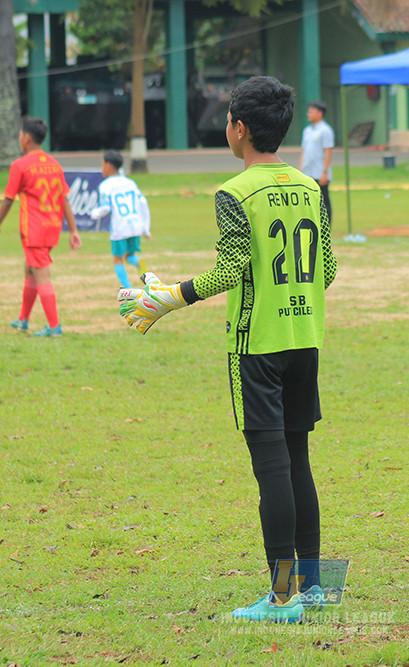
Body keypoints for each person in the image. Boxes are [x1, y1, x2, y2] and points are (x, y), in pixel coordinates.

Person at [117, 76, 338, 624]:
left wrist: (170, 297)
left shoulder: (234, 193)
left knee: (272, 470)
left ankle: (283, 598)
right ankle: (317, 588)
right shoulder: (310, 187)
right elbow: (327, 269)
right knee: (299, 462)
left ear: (239, 129)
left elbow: (232, 267)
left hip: (256, 347)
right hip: (305, 339)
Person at [0, 117, 82, 337]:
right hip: (52, 228)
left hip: (33, 230)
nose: (19, 139)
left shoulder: (20, 165)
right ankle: (23, 320)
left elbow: (8, 199)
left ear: (27, 139)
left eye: (20, 135)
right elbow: (65, 199)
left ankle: (54, 327)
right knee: (30, 270)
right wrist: (73, 230)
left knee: (42, 275)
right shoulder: (54, 164)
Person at [89, 150, 151, 289]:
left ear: (109, 166)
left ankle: (128, 290)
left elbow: (105, 209)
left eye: (103, 164)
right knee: (130, 255)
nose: (102, 168)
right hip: (135, 225)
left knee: (117, 259)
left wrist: (94, 213)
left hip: (120, 227)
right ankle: (141, 268)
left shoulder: (105, 185)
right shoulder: (130, 182)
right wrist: (145, 229)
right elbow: (143, 203)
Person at [299, 100, 335, 222]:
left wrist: (325, 172)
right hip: (307, 173)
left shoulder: (325, 130)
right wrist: (300, 171)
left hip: (319, 173)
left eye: (311, 112)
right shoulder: (307, 131)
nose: (308, 114)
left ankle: (327, 228)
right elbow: (304, 152)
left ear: (319, 113)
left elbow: (328, 151)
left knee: (324, 201)